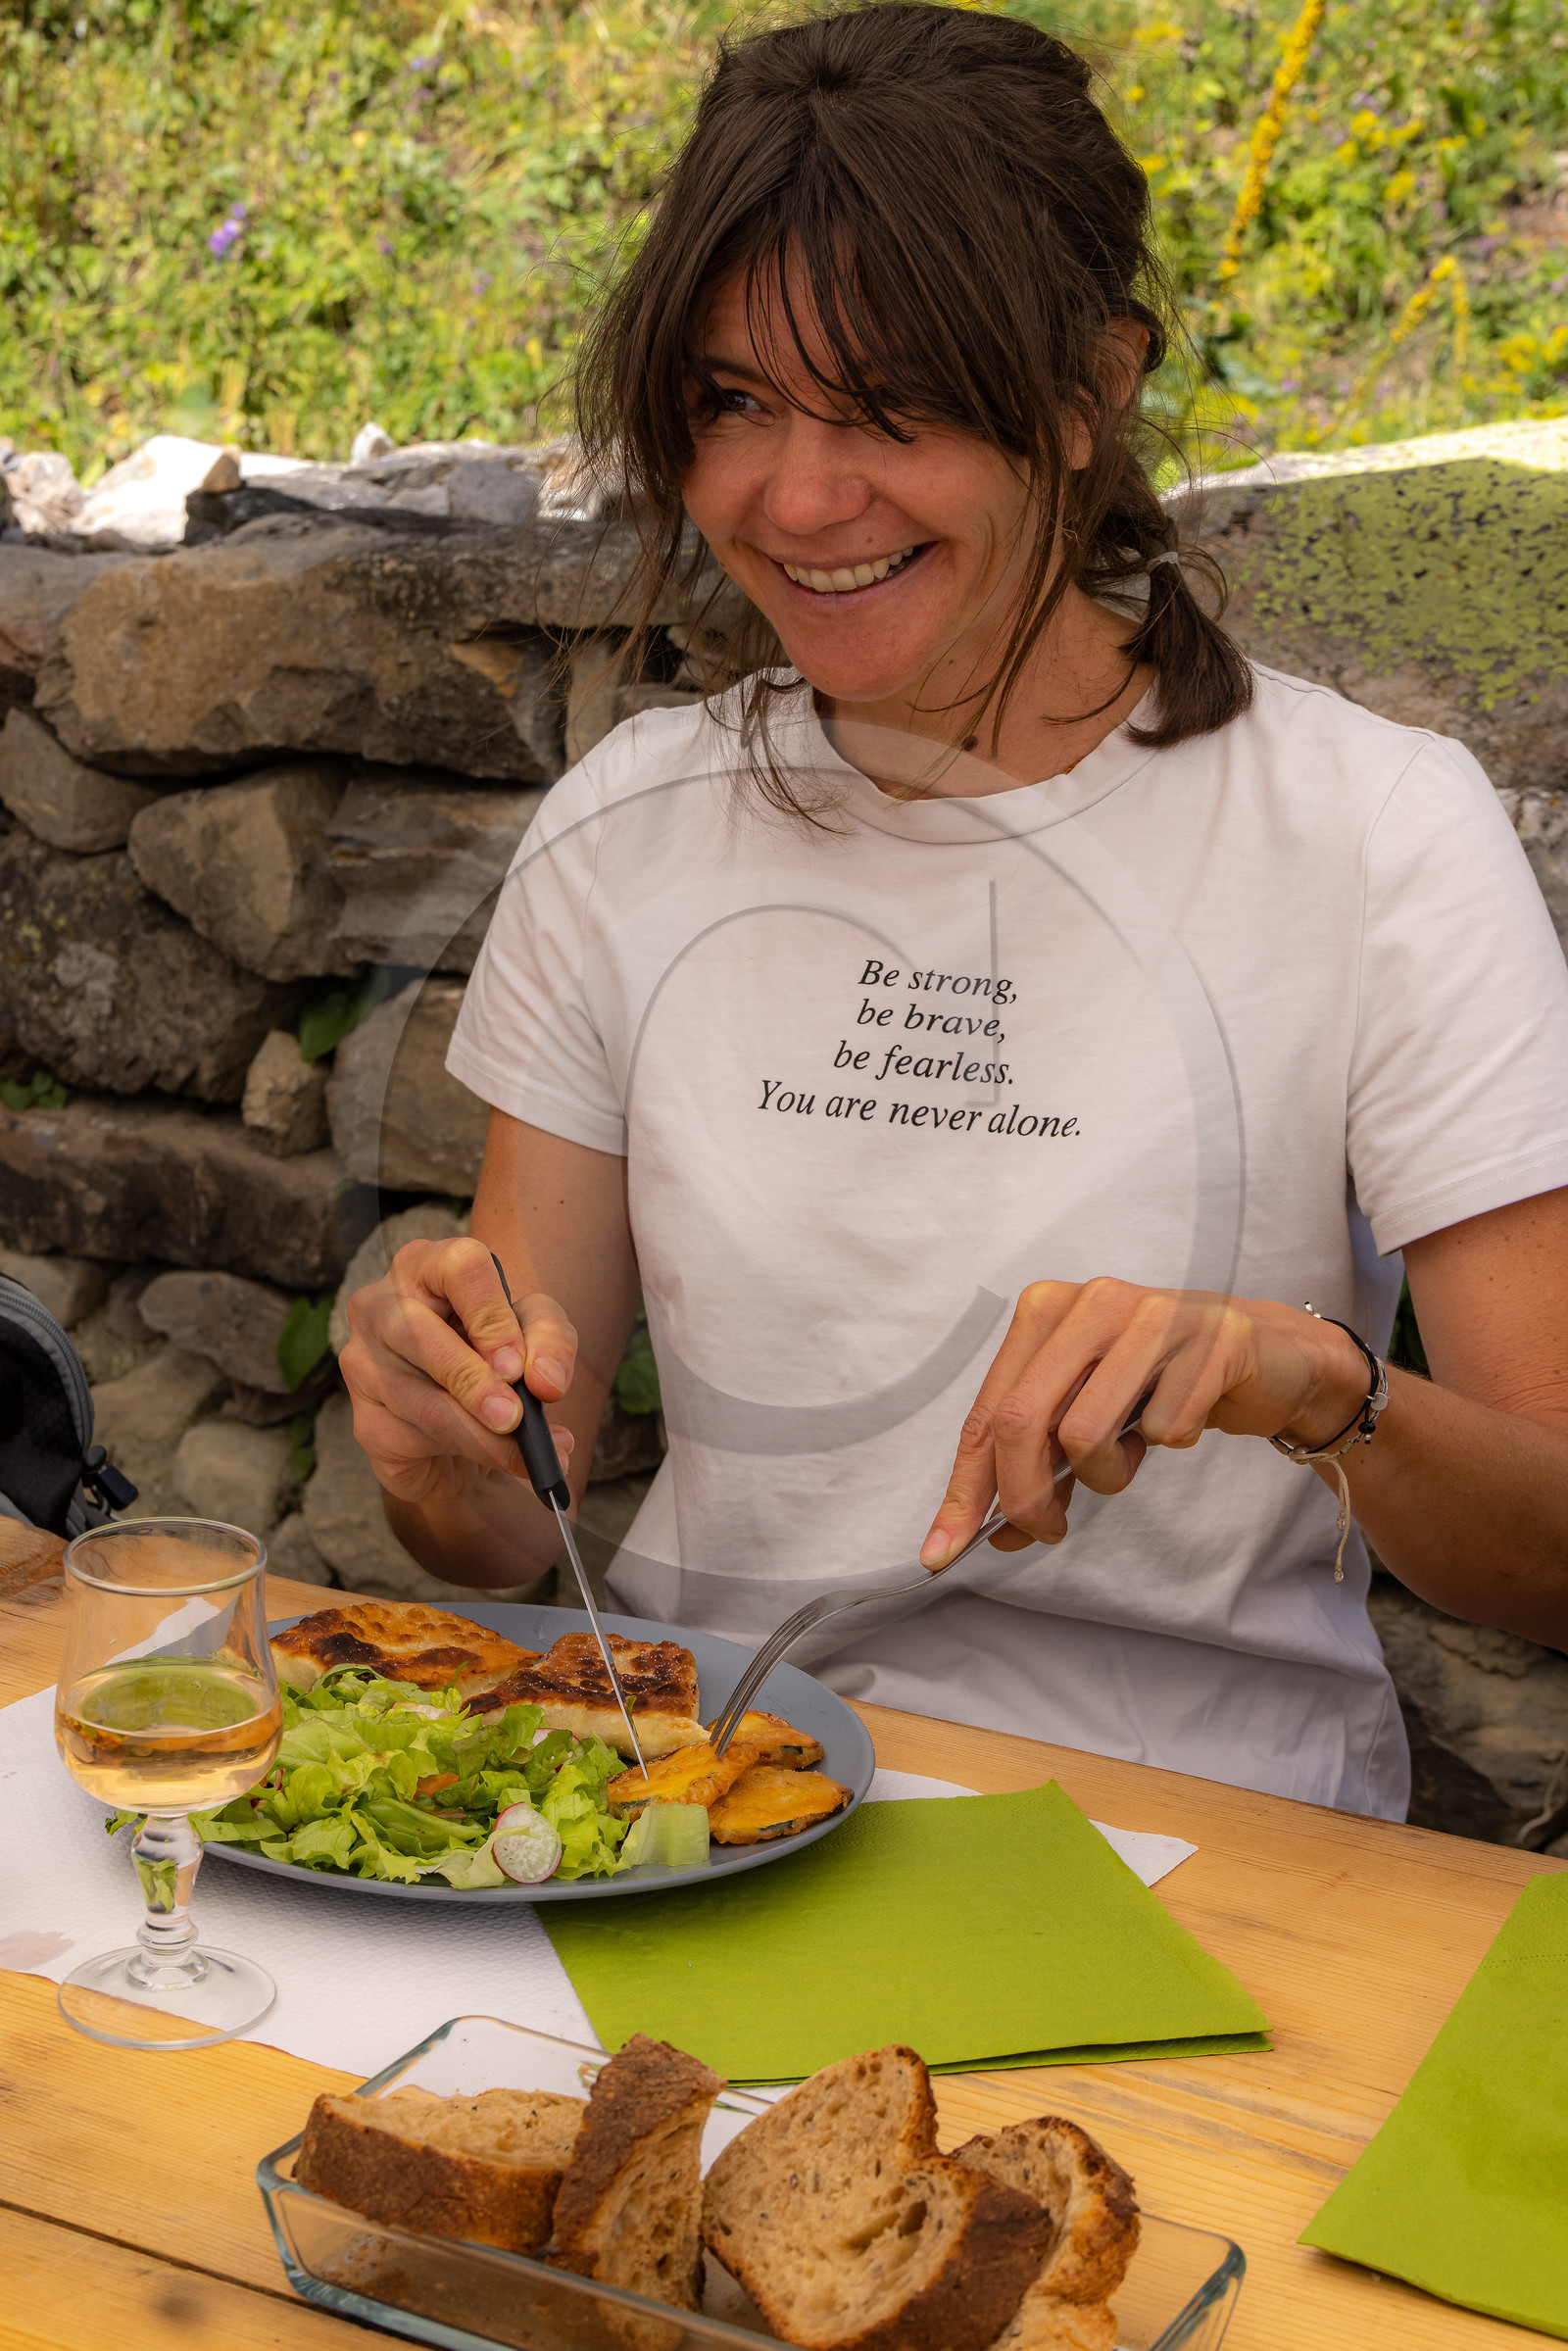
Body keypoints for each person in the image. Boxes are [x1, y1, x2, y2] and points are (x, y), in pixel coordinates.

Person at [339, 3, 1568, 1820]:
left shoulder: (1374, 833)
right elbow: (511, 1529)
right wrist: (437, 1435)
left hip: (1210, 1840)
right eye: (734, 405)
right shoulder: (628, 830)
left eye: (891, 409)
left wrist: (1304, 1383)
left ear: (1087, 397)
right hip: (696, 1804)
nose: (799, 498)